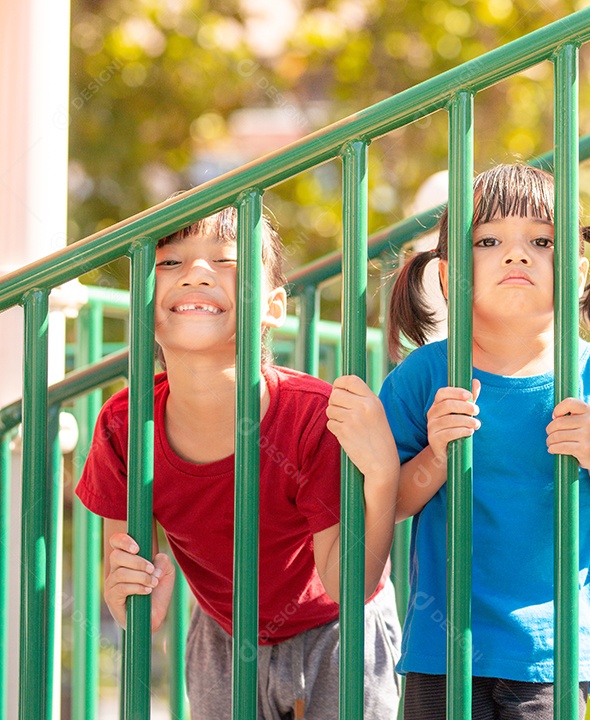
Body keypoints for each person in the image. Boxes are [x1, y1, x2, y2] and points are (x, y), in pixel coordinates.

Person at [76, 206, 402, 718]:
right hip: (222, 634)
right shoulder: (123, 426)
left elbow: (348, 587)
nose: (196, 273)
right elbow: (124, 571)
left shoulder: (311, 417)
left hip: (337, 630)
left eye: (224, 260)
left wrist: (383, 478)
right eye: (168, 263)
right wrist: (133, 599)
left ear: (272, 305)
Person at [371, 163, 590, 719]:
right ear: (452, 274)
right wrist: (436, 454)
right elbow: (392, 502)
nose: (516, 254)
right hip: (444, 646)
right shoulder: (423, 376)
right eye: (489, 240)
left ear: (577, 274)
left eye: (541, 240)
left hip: (553, 653)